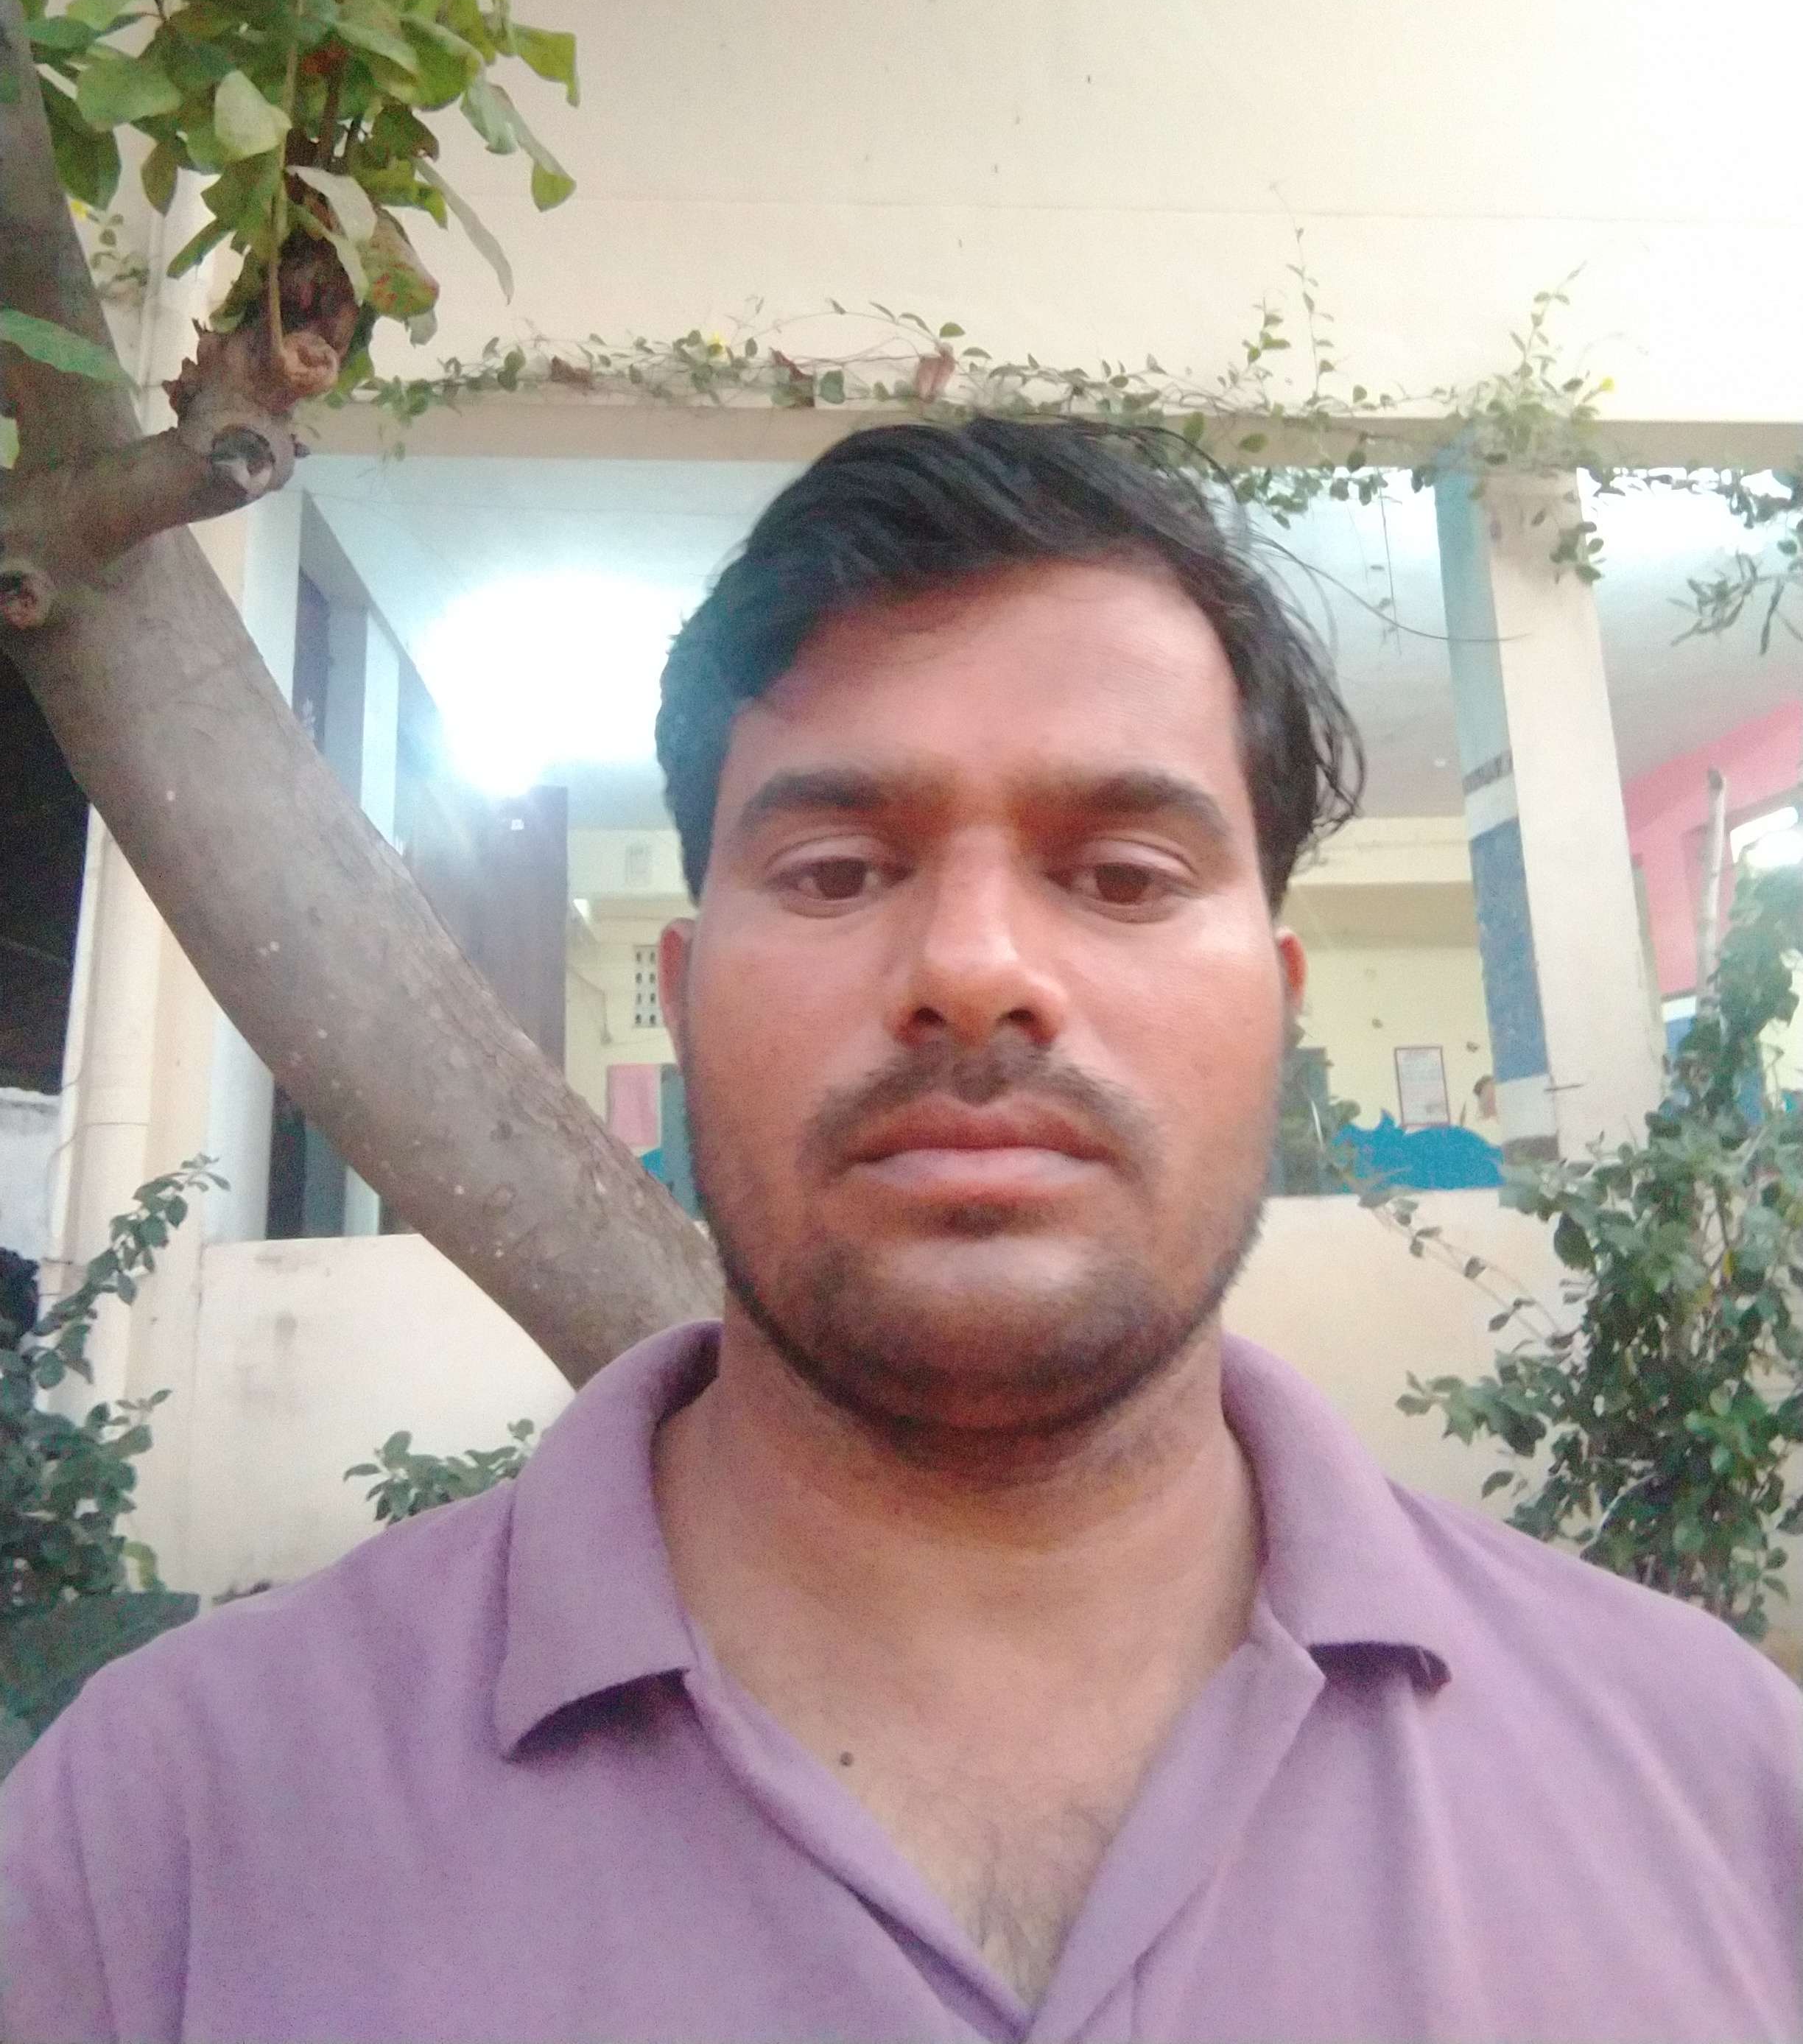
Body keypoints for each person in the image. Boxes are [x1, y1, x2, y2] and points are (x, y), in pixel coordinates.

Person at [3, 418, 1798, 2044]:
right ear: (683, 1000)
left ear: (1279, 1008)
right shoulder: (158, 1842)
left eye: (1123, 876)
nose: (975, 970)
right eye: (841, 870)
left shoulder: (1720, 1787)